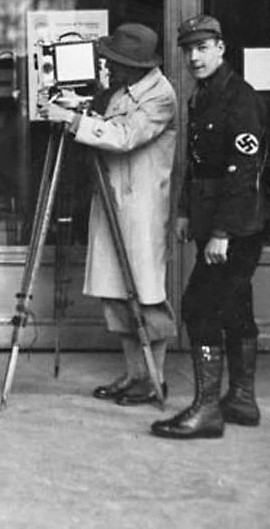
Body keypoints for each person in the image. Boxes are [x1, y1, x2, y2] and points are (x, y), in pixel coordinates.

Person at [42, 23, 177, 407]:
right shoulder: (122, 89)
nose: (109, 66)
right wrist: (80, 108)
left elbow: (122, 137)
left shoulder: (160, 96)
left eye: (115, 61)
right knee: (116, 294)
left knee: (145, 295)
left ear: (134, 64)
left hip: (141, 208)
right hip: (114, 199)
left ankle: (155, 378)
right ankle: (135, 373)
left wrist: (72, 121)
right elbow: (106, 125)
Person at [151, 15, 266, 439]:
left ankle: (206, 411)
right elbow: (198, 165)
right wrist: (184, 211)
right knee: (235, 309)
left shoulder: (241, 99)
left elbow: (243, 173)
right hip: (214, 224)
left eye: (203, 47)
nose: (194, 57)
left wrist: (222, 233)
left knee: (199, 308)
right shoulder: (202, 97)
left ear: (221, 48)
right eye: (188, 50)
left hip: (235, 230)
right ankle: (240, 400)